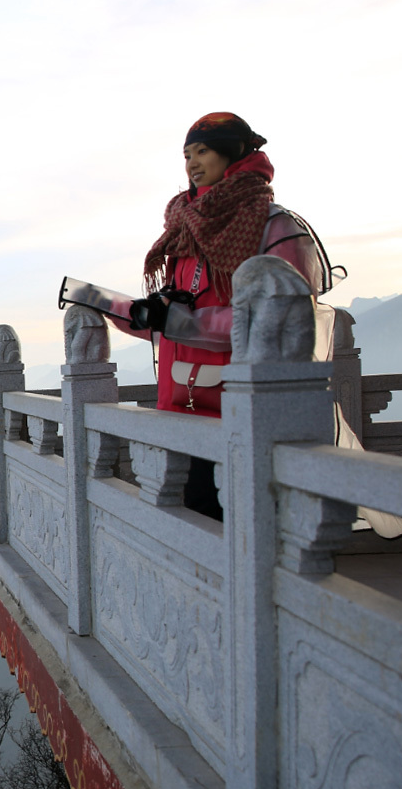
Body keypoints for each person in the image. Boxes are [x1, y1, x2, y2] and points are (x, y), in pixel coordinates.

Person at [116, 112, 327, 518]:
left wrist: (178, 321)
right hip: (181, 406)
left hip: (245, 409)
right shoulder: (184, 228)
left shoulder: (275, 227)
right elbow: (180, 315)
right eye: (186, 155)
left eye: (203, 151)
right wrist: (128, 314)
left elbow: (277, 323)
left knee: (243, 522)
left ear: (232, 153)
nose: (192, 164)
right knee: (191, 519)